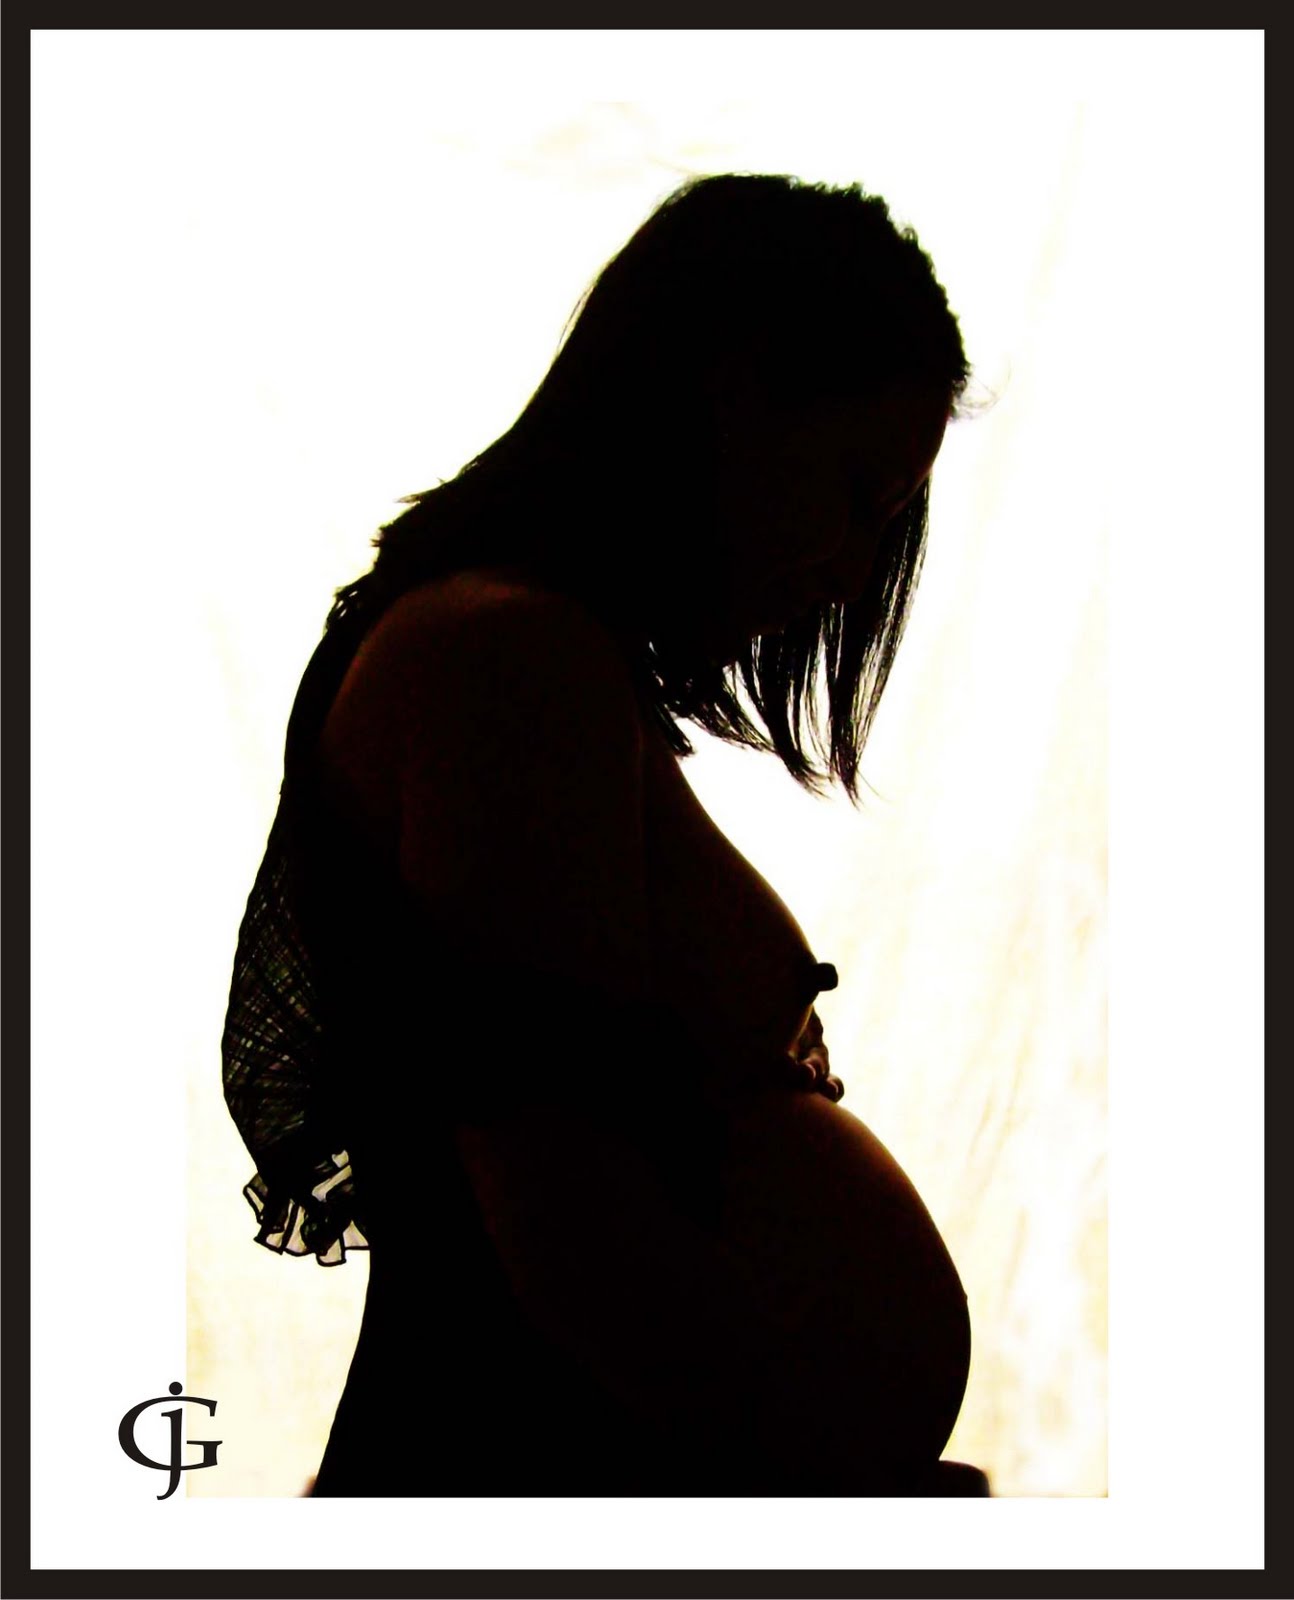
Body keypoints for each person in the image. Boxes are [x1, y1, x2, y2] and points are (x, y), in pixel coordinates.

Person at [222, 172, 988, 1496]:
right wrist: (803, 1488)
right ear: (728, 397)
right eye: (853, 490)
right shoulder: (506, 659)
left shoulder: (525, 655)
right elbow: (568, 1217)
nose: (851, 570)